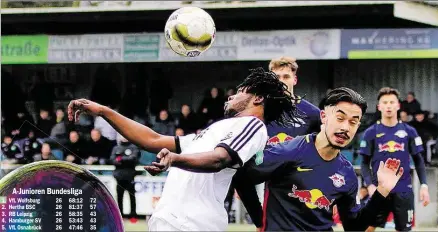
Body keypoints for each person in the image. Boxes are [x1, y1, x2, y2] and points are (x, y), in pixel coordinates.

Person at [67, 68, 302, 231]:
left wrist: (175, 159)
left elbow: (219, 159)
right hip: (171, 221)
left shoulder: (252, 126)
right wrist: (104, 111)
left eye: (241, 91)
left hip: (193, 224)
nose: (231, 95)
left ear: (258, 98)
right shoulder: (218, 129)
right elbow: (152, 138)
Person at [232, 87, 404, 231]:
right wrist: (258, 219)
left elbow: (354, 227)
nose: (345, 127)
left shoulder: (347, 173)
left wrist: (382, 191)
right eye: (340, 118)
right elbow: (241, 177)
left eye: (353, 122)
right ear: (323, 117)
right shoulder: (289, 150)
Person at [231, 56, 321, 226]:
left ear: (294, 79)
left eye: (286, 77)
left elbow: (323, 149)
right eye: (276, 78)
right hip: (271, 182)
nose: (281, 82)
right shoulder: (261, 111)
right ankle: (260, 223)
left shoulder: (312, 114)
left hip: (302, 182)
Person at [360, 87, 430, 232]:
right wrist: (370, 186)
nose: (388, 105)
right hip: (379, 190)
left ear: (398, 105)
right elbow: (364, 163)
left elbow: (418, 160)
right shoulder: (370, 132)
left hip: (403, 190)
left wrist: (424, 185)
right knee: (367, 228)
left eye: (392, 102)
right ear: (379, 107)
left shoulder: (409, 131)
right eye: (384, 102)